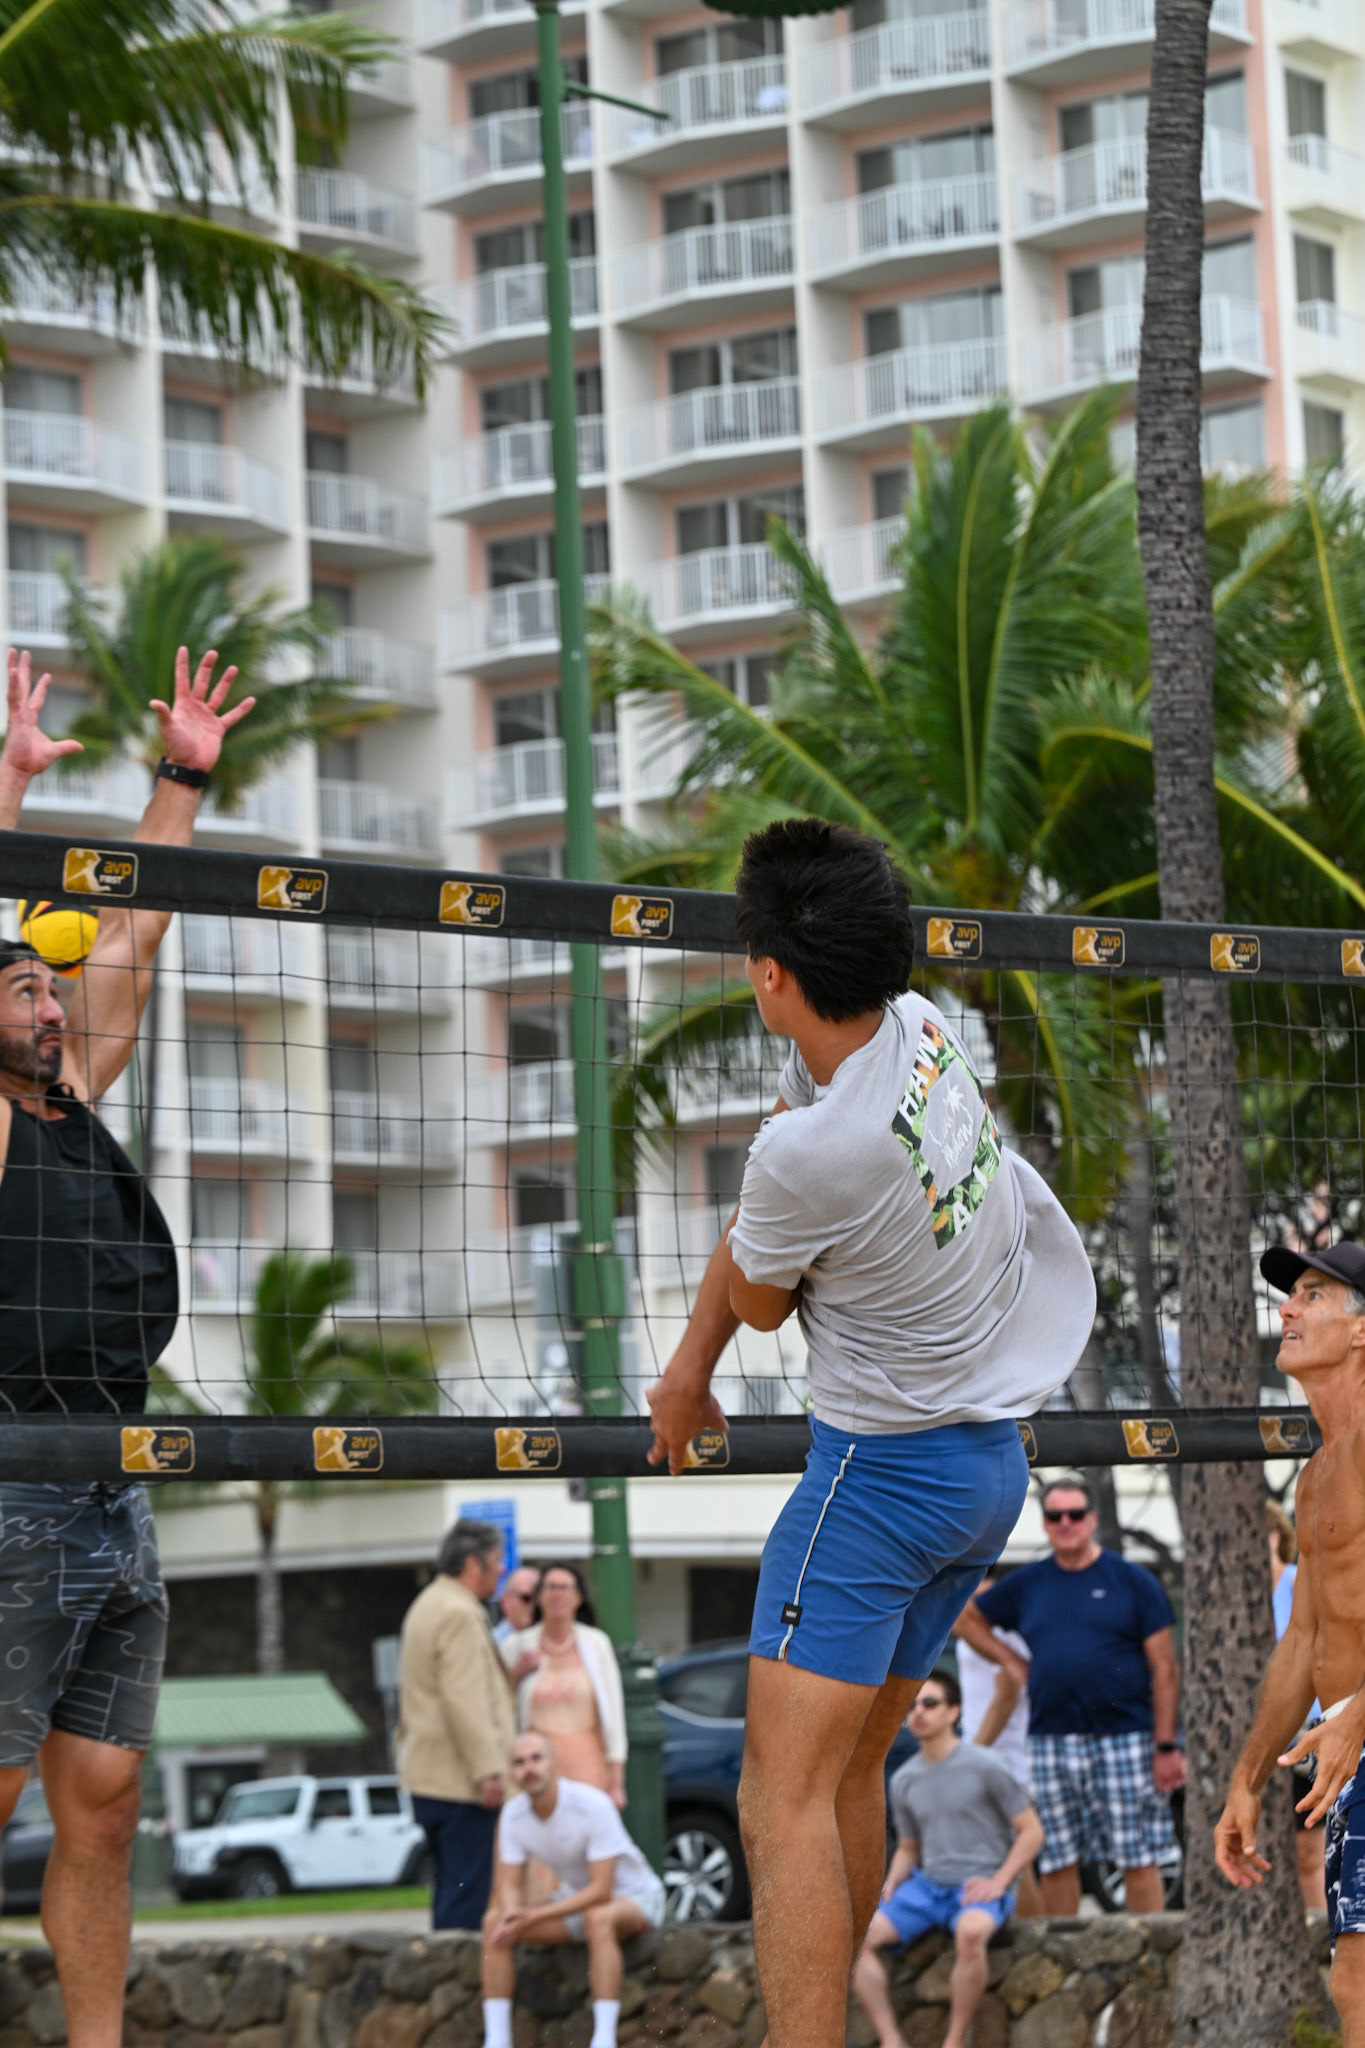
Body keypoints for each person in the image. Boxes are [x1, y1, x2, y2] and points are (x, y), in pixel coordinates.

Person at [644, 819, 1096, 2048]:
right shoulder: (923, 1030)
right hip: (985, 1471)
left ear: (768, 972)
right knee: (844, 1778)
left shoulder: (808, 1152)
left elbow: (760, 1295)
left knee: (773, 1797)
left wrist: (695, 1364)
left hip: (878, 1482)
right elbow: (770, 1210)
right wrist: (685, 1372)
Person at [0, 644, 255, 2048]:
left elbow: (137, 926)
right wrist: (8, 795)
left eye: (52, 993)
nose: (52, 1004)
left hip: (116, 1483)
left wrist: (179, 781)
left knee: (100, 1807)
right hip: (12, 1480)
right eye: (24, 991)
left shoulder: (71, 1091)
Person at [1216, 1241, 1365, 2042]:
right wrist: (1245, 1780)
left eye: (1312, 1294)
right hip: (1347, 1739)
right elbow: (1301, 1639)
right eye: (1290, 1293)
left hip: (1358, 1730)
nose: (1285, 1308)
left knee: (1357, 1976)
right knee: (1354, 1975)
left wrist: (1357, 1716)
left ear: (1361, 1329)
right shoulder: (1316, 1474)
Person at [955, 1476, 1184, 1915]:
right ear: (1044, 1523)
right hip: (1050, 1739)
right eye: (1055, 1515)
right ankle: (1065, 1953)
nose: (1066, 1523)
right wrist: (1011, 1661)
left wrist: (1166, 1746)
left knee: (1137, 1857)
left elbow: (1165, 1669)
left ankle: (1149, 1950)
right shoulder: (1030, 1582)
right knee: (1057, 1860)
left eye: (1075, 1514)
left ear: (1092, 1519)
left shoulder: (1133, 1581)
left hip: (1125, 1737)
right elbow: (964, 1616)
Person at [853, 1672, 1043, 2048]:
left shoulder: (986, 1765)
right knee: (855, 1941)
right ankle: (892, 2040)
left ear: (954, 1711)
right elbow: (909, 1848)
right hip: (928, 1887)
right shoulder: (903, 1779)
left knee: (970, 1935)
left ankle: (954, 2040)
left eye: (930, 1703)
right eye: (911, 1705)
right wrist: (891, 1882)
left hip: (979, 1884)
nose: (919, 1712)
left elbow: (1032, 1831)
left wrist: (1000, 1881)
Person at [481, 1732, 664, 2048]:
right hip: (576, 1901)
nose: (529, 1768)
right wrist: (512, 1913)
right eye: (519, 1762)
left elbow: (602, 1890)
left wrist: (532, 1916)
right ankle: (497, 2040)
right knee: (494, 1922)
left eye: (536, 1758)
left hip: (635, 1897)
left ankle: (604, 2039)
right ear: (511, 1773)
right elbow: (508, 1883)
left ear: (554, 1764)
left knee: (598, 1917)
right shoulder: (513, 1814)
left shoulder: (592, 1805)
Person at [397, 1518, 515, 1930]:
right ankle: (462, 1970)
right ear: (472, 1563)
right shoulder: (458, 1613)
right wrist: (488, 1770)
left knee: (452, 1887)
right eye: (497, 1560)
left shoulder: (429, 1603)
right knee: (468, 1896)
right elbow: (464, 1699)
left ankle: (448, 1966)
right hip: (460, 1782)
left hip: (432, 1778)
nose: (503, 1569)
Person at [952, 1571, 1043, 1916]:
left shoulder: (1002, 1627)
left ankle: (1032, 1935)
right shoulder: (974, 1626)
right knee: (1005, 1858)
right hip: (989, 1754)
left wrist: (971, 1755)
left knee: (1016, 1860)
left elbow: (1007, 1696)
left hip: (1006, 1759)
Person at [501, 1561, 627, 1806]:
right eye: (550, 1587)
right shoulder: (516, 1646)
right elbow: (497, 1703)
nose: (557, 1595)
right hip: (535, 1772)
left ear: (579, 1597)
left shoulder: (596, 1644)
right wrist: (517, 1673)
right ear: (539, 1596)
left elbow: (614, 1713)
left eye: (564, 1588)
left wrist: (617, 1782)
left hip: (588, 1769)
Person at [1266, 1497, 1327, 1913]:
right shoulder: (1230, 1600)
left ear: (1275, 1537)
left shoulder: (1298, 1584)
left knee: (1309, 1850)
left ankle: (1321, 1932)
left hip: (1306, 1735)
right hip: (1260, 1738)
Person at [493, 1566, 542, 1647]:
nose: (534, 1605)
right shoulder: (493, 1643)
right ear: (505, 1601)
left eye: (539, 1599)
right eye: (526, 1598)